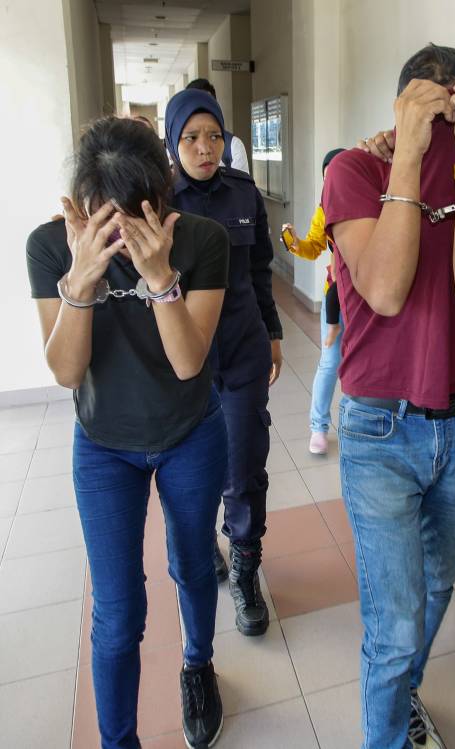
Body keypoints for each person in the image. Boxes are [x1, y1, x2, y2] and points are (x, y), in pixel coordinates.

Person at [324, 43, 455, 749]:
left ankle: (404, 695)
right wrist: (405, 158)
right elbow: (382, 288)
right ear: (400, 103)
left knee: (438, 585)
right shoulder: (355, 169)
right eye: (424, 101)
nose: (440, 110)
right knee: (396, 620)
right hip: (381, 430)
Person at [26, 116, 229, 749]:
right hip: (104, 447)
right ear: (77, 204)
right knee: (117, 613)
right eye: (99, 214)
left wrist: (162, 277)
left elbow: (188, 362)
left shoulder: (201, 239)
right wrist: (81, 280)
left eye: (134, 213)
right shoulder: (50, 246)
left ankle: (198, 665)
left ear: (162, 194)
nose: (116, 231)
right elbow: (65, 372)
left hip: (190, 433)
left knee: (193, 565)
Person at [165, 89, 283, 638]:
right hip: (182, 363)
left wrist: (274, 332)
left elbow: (260, 269)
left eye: (213, 136)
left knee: (244, 466)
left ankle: (245, 568)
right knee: (193, 472)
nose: (205, 148)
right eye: (191, 137)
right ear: (173, 143)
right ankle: (205, 544)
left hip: (240, 348)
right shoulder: (157, 201)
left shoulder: (243, 193)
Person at [281, 148, 346, 455]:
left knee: (362, 363)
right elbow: (313, 247)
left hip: (366, 299)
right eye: (328, 177)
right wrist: (294, 243)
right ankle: (318, 427)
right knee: (330, 361)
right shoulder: (323, 210)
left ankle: (357, 424)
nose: (333, 182)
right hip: (336, 295)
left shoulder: (370, 204)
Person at [184, 78, 251, 174]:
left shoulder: (233, 146)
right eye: (196, 105)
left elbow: (242, 187)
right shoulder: (180, 145)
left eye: (207, 104)